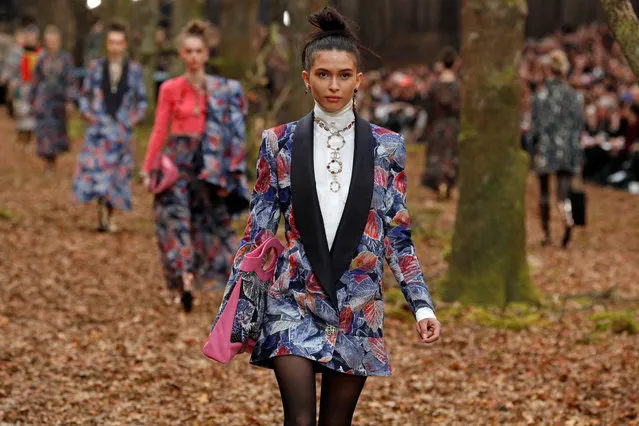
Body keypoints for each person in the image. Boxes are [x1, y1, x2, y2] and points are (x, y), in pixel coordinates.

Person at [212, 7, 440, 425]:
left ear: (358, 80)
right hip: (291, 298)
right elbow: (257, 235)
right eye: (323, 74)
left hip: (357, 305)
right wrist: (240, 310)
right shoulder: (277, 143)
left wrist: (421, 306)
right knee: (299, 420)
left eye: (343, 75)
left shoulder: (386, 147)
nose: (333, 84)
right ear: (307, 79)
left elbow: (397, 236)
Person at [141, 20, 249, 312]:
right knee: (174, 221)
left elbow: (234, 131)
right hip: (177, 161)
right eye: (187, 51)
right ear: (180, 54)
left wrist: (233, 170)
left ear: (206, 53)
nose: (193, 57)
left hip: (209, 164)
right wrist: (149, 166)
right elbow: (160, 128)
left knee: (210, 223)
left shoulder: (222, 90)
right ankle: (184, 280)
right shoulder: (170, 88)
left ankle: (231, 285)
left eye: (198, 51)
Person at [71, 20, 148, 233]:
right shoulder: (96, 67)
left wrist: (134, 118)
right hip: (99, 131)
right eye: (111, 42)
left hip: (122, 132)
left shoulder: (134, 70)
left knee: (117, 176)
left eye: (119, 42)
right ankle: (101, 216)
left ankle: (111, 215)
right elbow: (84, 94)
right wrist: (88, 113)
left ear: (124, 45)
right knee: (98, 174)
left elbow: (142, 99)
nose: (115, 46)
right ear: (107, 44)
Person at [530, 49, 584, 248]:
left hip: (545, 147)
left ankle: (546, 234)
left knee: (544, 192)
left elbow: (533, 127)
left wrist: (531, 147)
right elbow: (579, 126)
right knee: (562, 192)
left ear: (549, 70)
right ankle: (567, 216)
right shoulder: (576, 97)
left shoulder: (540, 97)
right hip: (567, 147)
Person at [30, 25, 77, 174]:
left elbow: (70, 80)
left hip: (59, 100)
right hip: (44, 100)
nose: (52, 43)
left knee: (56, 131)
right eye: (49, 40)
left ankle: (53, 158)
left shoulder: (65, 59)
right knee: (44, 131)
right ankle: (47, 159)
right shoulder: (41, 58)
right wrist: (32, 99)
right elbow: (36, 79)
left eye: (54, 40)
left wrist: (70, 99)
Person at [421, 48, 460, 199]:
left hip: (437, 125)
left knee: (437, 156)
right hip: (453, 126)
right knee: (450, 155)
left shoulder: (434, 86)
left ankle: (438, 184)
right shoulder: (459, 87)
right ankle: (448, 184)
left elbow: (428, 107)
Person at [8, 24, 40, 147]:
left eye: (33, 36)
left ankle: (31, 139)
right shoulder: (18, 52)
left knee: (32, 114)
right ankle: (21, 137)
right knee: (21, 113)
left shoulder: (40, 53)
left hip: (34, 87)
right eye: (29, 36)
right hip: (21, 86)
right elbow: (13, 69)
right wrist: (12, 82)